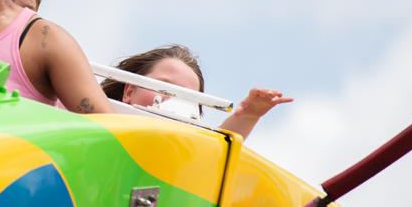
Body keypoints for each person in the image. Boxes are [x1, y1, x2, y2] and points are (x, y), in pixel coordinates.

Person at [101, 44, 290, 140]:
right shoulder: (94, 119)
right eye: (164, 86)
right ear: (129, 91)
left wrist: (248, 114)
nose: (173, 99)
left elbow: (214, 152)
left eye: (188, 97)